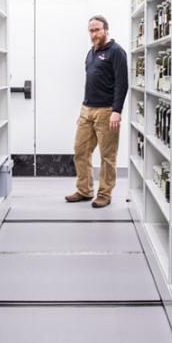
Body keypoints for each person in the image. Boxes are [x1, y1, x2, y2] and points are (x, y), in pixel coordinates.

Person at [65, 15, 128, 208]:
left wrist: (116, 111)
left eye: (97, 30)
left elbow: (122, 83)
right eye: (91, 31)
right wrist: (85, 107)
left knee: (107, 156)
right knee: (80, 151)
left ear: (106, 30)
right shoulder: (91, 52)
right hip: (87, 109)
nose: (94, 34)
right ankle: (84, 190)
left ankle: (104, 194)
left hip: (107, 110)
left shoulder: (117, 52)